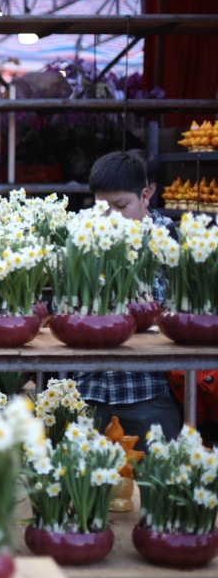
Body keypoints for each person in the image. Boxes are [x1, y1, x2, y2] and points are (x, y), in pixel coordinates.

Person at [75, 150, 182, 449]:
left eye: (121, 205)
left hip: (149, 394)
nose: (111, 216)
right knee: (89, 492)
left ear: (145, 196)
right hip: (90, 391)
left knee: (156, 490)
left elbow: (175, 312)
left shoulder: (170, 241)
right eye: (101, 208)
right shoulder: (83, 241)